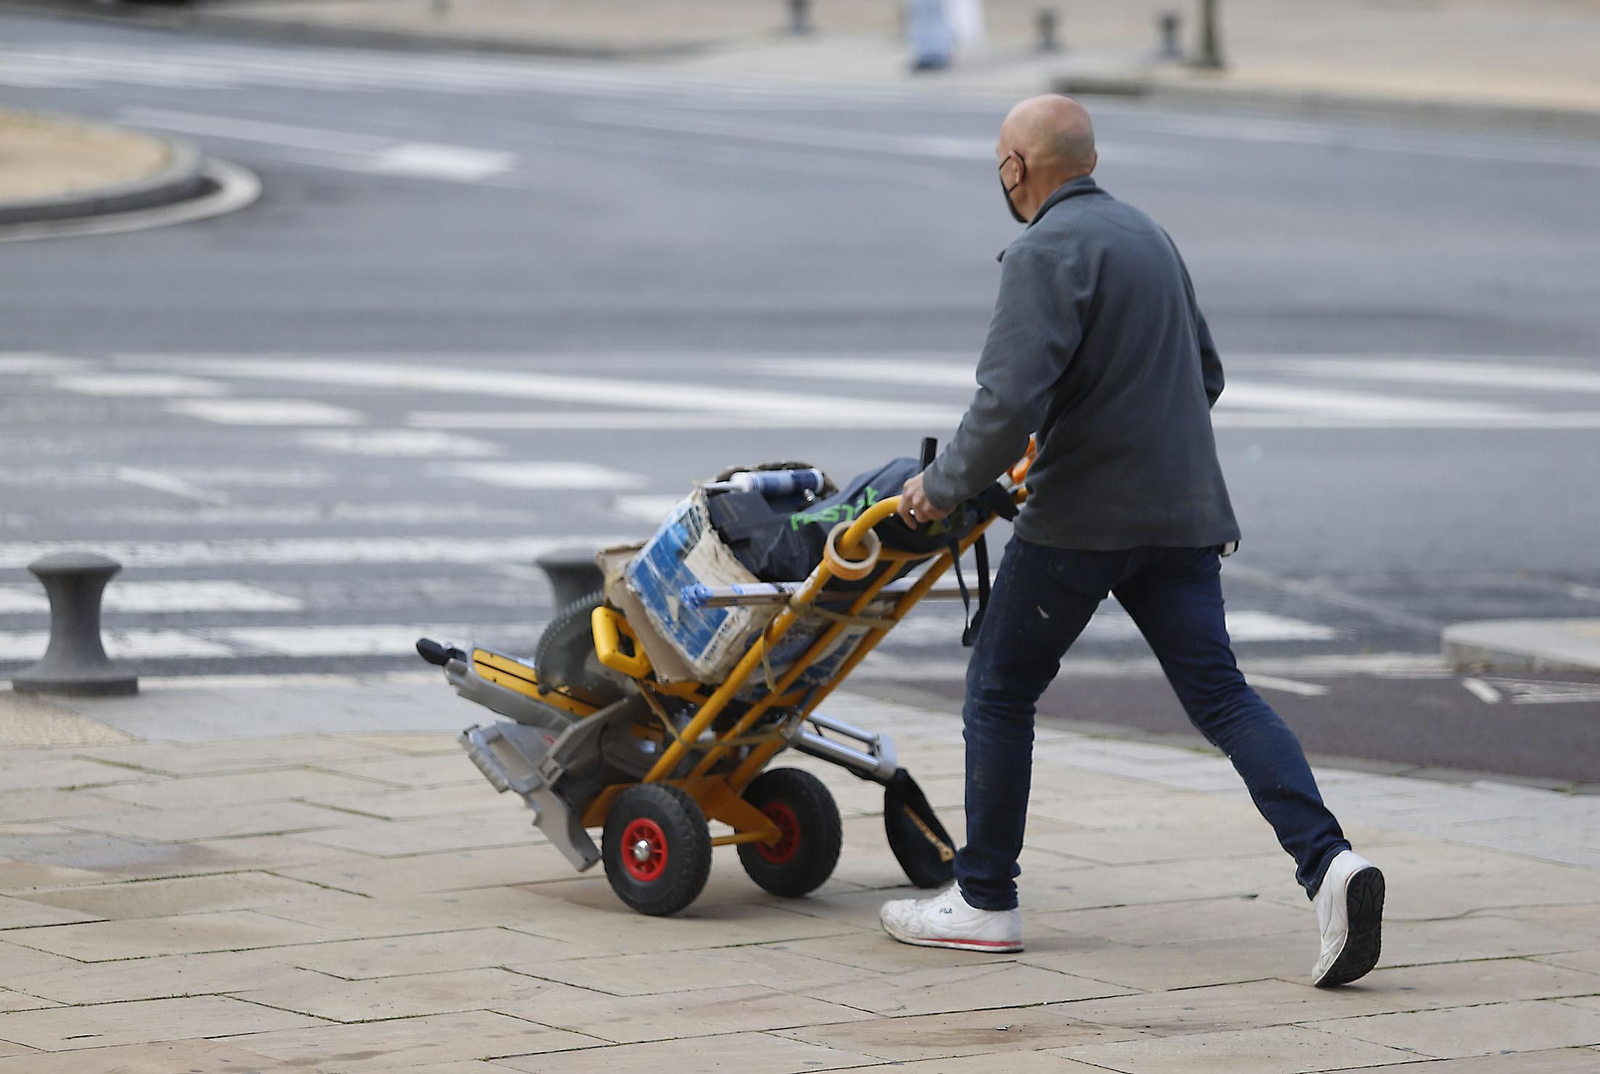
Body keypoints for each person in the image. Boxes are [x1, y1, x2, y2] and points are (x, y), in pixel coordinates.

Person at [879, 95, 1385, 988]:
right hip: (1185, 515)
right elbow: (1207, 375)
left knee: (999, 688)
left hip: (1081, 521)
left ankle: (985, 898)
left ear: (1016, 169)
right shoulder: (1150, 236)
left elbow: (1004, 407)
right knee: (1225, 701)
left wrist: (939, 489)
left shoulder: (1042, 251)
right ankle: (1331, 867)